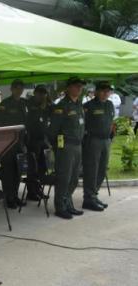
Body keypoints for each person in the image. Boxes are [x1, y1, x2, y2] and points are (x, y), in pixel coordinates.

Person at [48, 76, 86, 219]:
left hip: (77, 146)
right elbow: (52, 131)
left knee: (74, 178)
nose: (79, 89)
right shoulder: (61, 106)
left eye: (81, 86)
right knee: (64, 177)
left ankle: (68, 203)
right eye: (76, 86)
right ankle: (60, 206)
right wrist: (58, 147)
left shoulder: (79, 105)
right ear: (69, 87)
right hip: (66, 146)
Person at [82, 81, 116, 211]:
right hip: (93, 141)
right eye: (103, 90)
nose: (106, 93)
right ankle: (88, 198)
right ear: (96, 91)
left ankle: (93, 195)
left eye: (108, 91)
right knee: (92, 170)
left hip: (106, 141)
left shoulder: (109, 105)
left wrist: (111, 136)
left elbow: (111, 121)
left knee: (102, 169)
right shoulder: (88, 106)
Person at [0, 79, 28, 208]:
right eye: (17, 88)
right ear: (12, 89)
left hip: (20, 142)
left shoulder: (24, 103)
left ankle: (15, 195)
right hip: (8, 144)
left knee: (17, 172)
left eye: (21, 88)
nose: (19, 91)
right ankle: (8, 197)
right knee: (8, 172)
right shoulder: (5, 104)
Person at [25, 84, 52, 200]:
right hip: (32, 141)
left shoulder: (46, 105)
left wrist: (48, 103)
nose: (42, 96)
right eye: (40, 93)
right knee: (32, 168)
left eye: (44, 94)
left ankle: (38, 189)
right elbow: (31, 120)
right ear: (35, 93)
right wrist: (42, 107)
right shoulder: (29, 104)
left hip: (43, 141)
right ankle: (31, 192)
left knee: (42, 168)